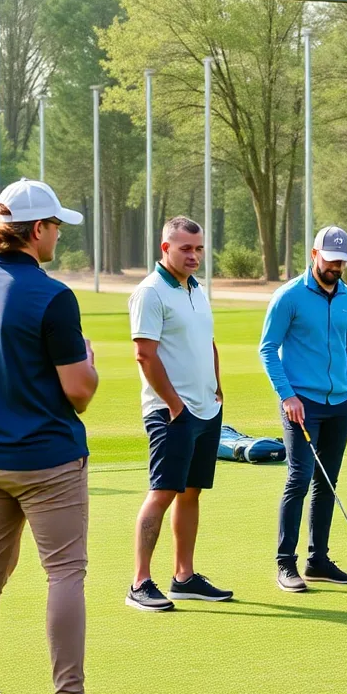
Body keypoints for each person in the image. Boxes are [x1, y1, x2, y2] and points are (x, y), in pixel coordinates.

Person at [0, 178, 132, 694]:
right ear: (37, 230)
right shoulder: (53, 295)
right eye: (56, 228)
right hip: (47, 459)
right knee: (66, 573)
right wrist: (91, 362)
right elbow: (78, 390)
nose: (59, 238)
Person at [126, 216, 233, 611]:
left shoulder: (196, 289)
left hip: (205, 407)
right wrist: (174, 404)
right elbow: (145, 355)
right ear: (165, 248)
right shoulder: (150, 292)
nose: (194, 255)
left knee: (191, 492)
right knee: (163, 492)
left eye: (198, 248)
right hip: (171, 411)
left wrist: (217, 386)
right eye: (185, 248)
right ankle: (139, 582)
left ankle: (184, 577)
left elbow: (208, 342)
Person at [260, 225, 347, 592]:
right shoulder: (289, 296)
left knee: (327, 482)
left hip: (340, 402)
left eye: (342, 262)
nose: (337, 267)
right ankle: (285, 564)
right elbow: (268, 348)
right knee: (299, 478)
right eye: (332, 259)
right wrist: (287, 395)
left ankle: (317, 560)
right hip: (301, 404)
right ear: (315, 255)